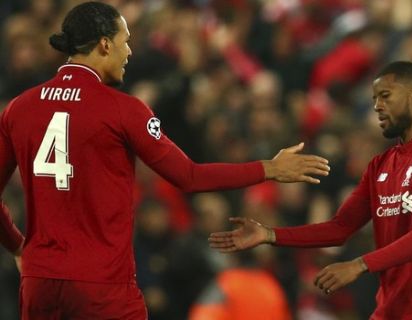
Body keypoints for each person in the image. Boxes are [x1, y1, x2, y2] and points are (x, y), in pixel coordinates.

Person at [0, 2, 330, 319]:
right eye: (124, 42)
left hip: (40, 283)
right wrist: (269, 168)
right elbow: (188, 175)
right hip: (100, 287)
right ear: (103, 45)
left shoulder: (18, 108)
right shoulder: (123, 109)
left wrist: (17, 246)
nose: (128, 52)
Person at [210, 61, 412, 320]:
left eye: (385, 96)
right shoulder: (381, 165)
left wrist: (359, 265)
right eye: (374, 99)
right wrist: (269, 234)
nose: (377, 107)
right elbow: (339, 228)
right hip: (390, 310)